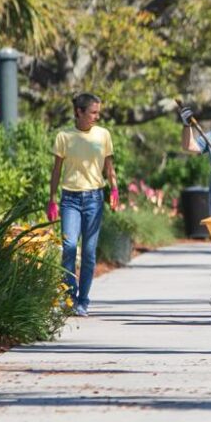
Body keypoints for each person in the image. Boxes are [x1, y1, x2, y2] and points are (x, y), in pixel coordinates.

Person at [46, 92, 119, 317]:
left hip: (94, 199)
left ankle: (83, 301)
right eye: (93, 112)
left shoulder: (103, 135)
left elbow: (109, 167)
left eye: (98, 112)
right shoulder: (64, 137)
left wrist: (114, 189)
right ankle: (70, 297)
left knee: (88, 252)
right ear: (79, 112)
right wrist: (52, 199)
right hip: (70, 199)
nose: (97, 116)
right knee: (69, 247)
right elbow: (56, 170)